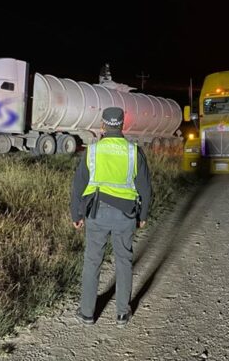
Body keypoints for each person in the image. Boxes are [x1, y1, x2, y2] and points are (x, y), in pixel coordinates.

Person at [70, 106, 152, 327]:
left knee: (92, 260)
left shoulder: (93, 150)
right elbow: (145, 188)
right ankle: (122, 315)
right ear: (123, 124)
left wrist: (76, 213)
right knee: (124, 261)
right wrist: (142, 215)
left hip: (96, 212)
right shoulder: (134, 151)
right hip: (126, 214)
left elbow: (78, 185)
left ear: (103, 126)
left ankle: (87, 314)